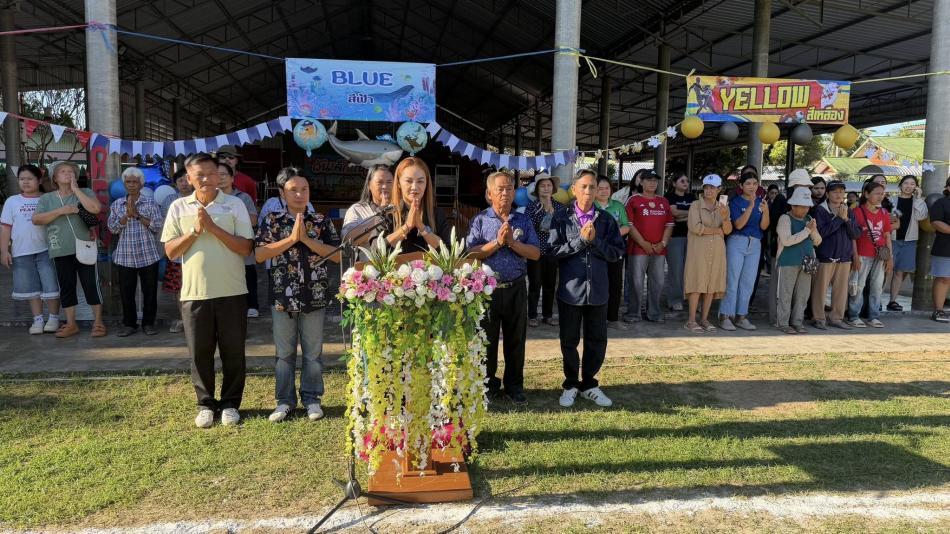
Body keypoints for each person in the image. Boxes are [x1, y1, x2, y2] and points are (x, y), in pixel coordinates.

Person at [161, 152, 254, 428]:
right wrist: (194, 232)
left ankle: (230, 404)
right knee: (200, 353)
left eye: (211, 173)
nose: (206, 179)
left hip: (232, 290)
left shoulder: (234, 204)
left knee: (233, 351)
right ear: (188, 178)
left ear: (220, 175)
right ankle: (205, 403)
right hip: (194, 293)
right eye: (198, 174)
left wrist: (212, 228)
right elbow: (170, 251)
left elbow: (245, 247)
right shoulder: (178, 207)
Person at [255, 167, 340, 422]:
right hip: (283, 297)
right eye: (293, 190)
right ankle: (284, 401)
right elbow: (259, 254)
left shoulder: (321, 221)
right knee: (284, 354)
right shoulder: (272, 220)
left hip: (314, 296)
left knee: (313, 354)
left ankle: (312, 399)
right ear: (282, 193)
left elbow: (337, 255)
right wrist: (291, 239)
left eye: (304, 189)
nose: (300, 194)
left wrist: (307, 239)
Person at [548, 170, 625, 408]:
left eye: (592, 187)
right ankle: (571, 383)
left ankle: (589, 383)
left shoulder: (605, 220)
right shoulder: (560, 218)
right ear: (574, 189)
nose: (588, 192)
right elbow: (552, 252)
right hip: (571, 291)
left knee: (597, 339)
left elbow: (616, 252)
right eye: (583, 187)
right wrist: (580, 241)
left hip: (599, 291)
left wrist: (595, 241)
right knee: (569, 340)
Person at [466, 171, 540, 405]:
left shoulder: (523, 220)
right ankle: (487, 384)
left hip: (516, 288)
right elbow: (470, 253)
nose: (506, 192)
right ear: (489, 194)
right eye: (500, 189)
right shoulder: (481, 220)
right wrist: (497, 243)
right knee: (486, 341)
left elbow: (535, 253)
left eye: (509, 188)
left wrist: (513, 243)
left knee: (516, 340)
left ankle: (514, 386)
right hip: (487, 290)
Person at [32, 161, 106, 338]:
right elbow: (36, 219)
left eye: (71, 171)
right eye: (63, 171)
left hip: (85, 247)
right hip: (60, 248)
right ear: (55, 178)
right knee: (67, 287)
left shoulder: (85, 192)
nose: (67, 173)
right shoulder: (46, 199)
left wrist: (76, 189)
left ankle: (98, 322)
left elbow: (96, 208)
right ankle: (71, 324)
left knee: (91, 285)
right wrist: (61, 211)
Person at [1, 164, 61, 334]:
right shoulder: (12, 201)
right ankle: (38, 320)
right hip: (22, 251)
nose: (25, 182)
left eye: (30, 179)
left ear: (39, 180)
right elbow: (5, 228)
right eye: (22, 179)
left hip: (47, 250)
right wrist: (4, 251)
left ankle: (54, 318)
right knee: (31, 288)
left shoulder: (48, 199)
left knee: (51, 285)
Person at [106, 167, 163, 337]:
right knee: (126, 293)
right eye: (128, 182)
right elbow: (112, 228)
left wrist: (137, 215)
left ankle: (148, 323)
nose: (131, 185)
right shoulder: (117, 204)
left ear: (141, 184)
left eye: (134, 182)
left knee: (150, 292)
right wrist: (125, 217)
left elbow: (156, 226)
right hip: (126, 256)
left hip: (148, 255)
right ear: (124, 184)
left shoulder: (150, 203)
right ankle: (129, 324)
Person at [719, 172, 769, 331]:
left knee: (748, 282)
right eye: (748, 183)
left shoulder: (762, 202)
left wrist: (766, 211)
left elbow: (764, 226)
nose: (752, 187)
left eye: (755, 183)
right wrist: (751, 206)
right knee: (732, 280)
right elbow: (738, 225)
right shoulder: (735, 202)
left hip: (755, 244)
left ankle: (741, 316)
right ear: (741, 186)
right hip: (737, 241)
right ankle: (725, 315)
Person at [683, 174, 732, 333]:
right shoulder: (695, 205)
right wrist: (716, 231)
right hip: (698, 251)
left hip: (717, 251)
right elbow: (695, 228)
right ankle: (691, 320)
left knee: (711, 285)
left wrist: (724, 219)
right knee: (697, 283)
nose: (709, 190)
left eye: (712, 187)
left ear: (719, 189)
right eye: (706, 187)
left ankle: (704, 319)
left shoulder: (723, 207)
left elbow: (728, 231)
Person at [624, 169, 673, 323]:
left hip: (659, 249)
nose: (652, 183)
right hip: (638, 248)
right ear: (641, 182)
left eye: (655, 180)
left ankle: (654, 313)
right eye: (649, 180)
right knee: (636, 282)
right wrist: (643, 243)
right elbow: (629, 225)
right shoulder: (633, 200)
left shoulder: (663, 201)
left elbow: (669, 225)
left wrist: (663, 243)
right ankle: (634, 313)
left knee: (657, 282)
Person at [811, 180, 858, 330]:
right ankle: (818, 318)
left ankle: (836, 318)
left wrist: (846, 220)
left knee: (841, 291)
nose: (838, 195)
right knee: (820, 289)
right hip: (825, 256)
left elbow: (856, 234)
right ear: (828, 194)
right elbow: (822, 233)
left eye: (841, 191)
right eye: (835, 192)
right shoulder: (820, 210)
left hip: (844, 257)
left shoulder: (848, 211)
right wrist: (838, 218)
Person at [774, 188, 822, 334]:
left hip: (807, 261)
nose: (805, 209)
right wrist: (807, 231)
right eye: (802, 206)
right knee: (785, 294)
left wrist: (813, 231)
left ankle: (797, 322)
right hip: (788, 261)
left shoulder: (809, 220)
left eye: (807, 206)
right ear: (793, 205)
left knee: (803, 294)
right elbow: (787, 241)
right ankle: (782, 323)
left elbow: (818, 241)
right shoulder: (785, 218)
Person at [846, 180, 892, 328]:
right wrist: (855, 255)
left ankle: (873, 316)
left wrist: (890, 257)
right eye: (877, 193)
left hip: (880, 255)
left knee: (877, 286)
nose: (880, 196)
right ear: (866, 194)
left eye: (882, 194)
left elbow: (886, 235)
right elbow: (852, 235)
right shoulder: (857, 212)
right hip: (862, 254)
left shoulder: (884, 213)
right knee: (858, 286)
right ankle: (853, 316)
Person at [217, 161, 260, 318]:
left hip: (242, 241)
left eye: (223, 175)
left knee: (247, 274)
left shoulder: (243, 198)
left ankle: (252, 305)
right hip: (221, 246)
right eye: (217, 175)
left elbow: (253, 220)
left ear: (231, 178)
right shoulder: (210, 199)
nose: (220, 178)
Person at [386, 157, 450, 252]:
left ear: (426, 184)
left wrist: (422, 227)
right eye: (409, 181)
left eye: (420, 181)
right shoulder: (388, 213)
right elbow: (378, 250)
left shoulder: (437, 213)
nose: (414, 187)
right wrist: (407, 226)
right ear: (399, 183)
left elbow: (448, 251)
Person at [524, 173, 563, 327]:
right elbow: (530, 228)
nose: (546, 188)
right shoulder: (531, 207)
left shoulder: (560, 206)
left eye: (548, 185)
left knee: (550, 284)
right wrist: (545, 212)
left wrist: (553, 212)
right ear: (537, 189)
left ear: (553, 188)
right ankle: (532, 315)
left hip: (552, 251)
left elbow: (563, 228)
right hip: (535, 251)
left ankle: (547, 315)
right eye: (543, 185)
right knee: (535, 284)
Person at [886, 175, 929, 311]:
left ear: (916, 187)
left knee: (900, 272)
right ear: (900, 185)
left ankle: (892, 301)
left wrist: (918, 199)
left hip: (909, 241)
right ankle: (874, 300)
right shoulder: (891, 200)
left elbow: (921, 216)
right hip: (891, 239)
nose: (909, 186)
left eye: (912, 184)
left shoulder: (918, 201)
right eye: (906, 183)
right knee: (884, 271)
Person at [594, 174, 631, 328]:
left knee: (615, 283)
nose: (604, 191)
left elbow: (626, 226)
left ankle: (613, 318)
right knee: (597, 283)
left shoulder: (618, 206)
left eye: (607, 188)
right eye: (600, 188)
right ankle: (597, 318)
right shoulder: (591, 206)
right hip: (596, 250)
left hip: (615, 250)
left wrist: (611, 236)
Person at [161, 168, 194, 333]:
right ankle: (184, 319)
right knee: (179, 289)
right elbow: (164, 225)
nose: (184, 183)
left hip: (197, 252)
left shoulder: (201, 199)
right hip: (176, 254)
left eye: (186, 179)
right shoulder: (170, 200)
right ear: (175, 184)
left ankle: (197, 319)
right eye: (180, 180)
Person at [341, 164, 394, 247]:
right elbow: (347, 239)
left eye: (389, 182)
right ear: (369, 185)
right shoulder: (357, 209)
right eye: (380, 182)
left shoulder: (399, 208)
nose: (385, 186)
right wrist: (380, 217)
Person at [664, 172, 693, 312]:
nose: (685, 183)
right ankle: (675, 299)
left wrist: (682, 216)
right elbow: (673, 213)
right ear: (674, 183)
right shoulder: (669, 197)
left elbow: (697, 214)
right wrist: (689, 213)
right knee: (676, 270)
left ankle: (689, 297)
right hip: (674, 237)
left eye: (687, 181)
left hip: (691, 237)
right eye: (682, 181)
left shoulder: (691, 197)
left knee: (689, 269)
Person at [929, 177, 950, 322]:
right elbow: (936, 222)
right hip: (944, 247)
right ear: (948, 187)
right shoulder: (941, 203)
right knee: (943, 278)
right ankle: (938, 310)